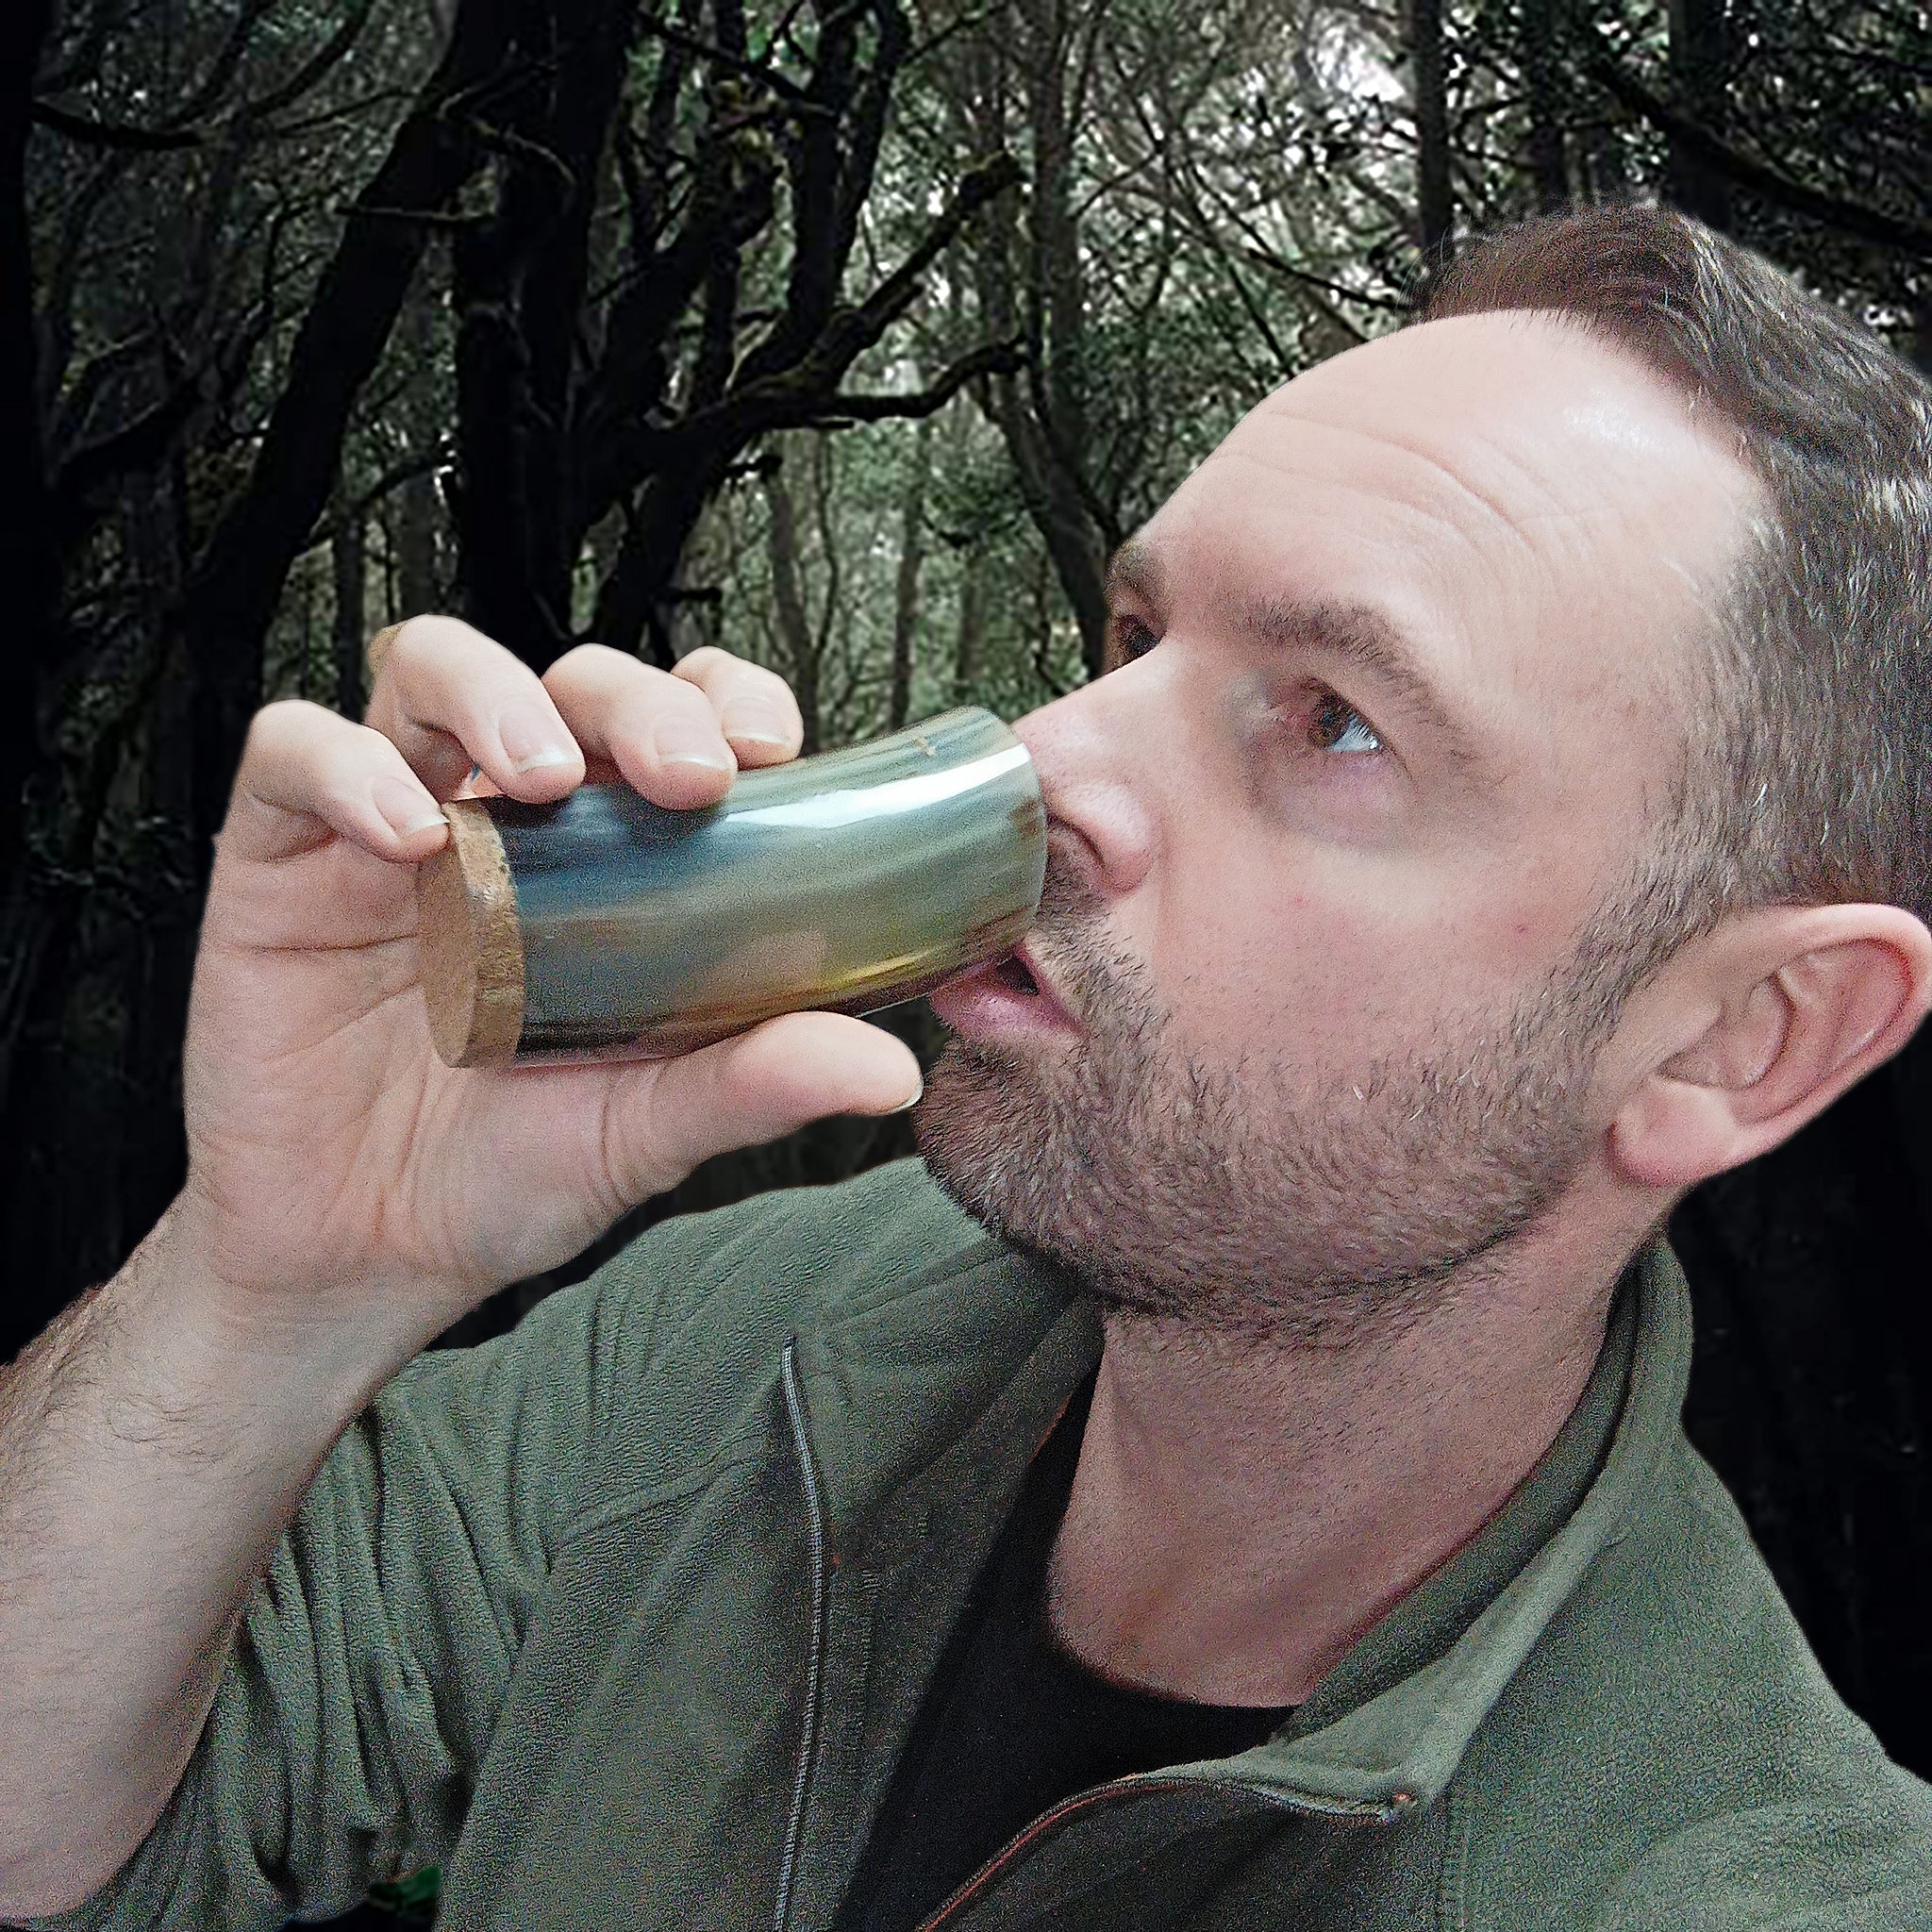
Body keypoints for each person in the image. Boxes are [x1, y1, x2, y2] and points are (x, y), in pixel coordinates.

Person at [5, 201, 1931, 1932]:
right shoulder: (737, 1347)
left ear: (1734, 1038)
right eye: (1135, 634)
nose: (1045, 757)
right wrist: (271, 1280)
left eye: (1333, 721)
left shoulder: (1741, 1877)